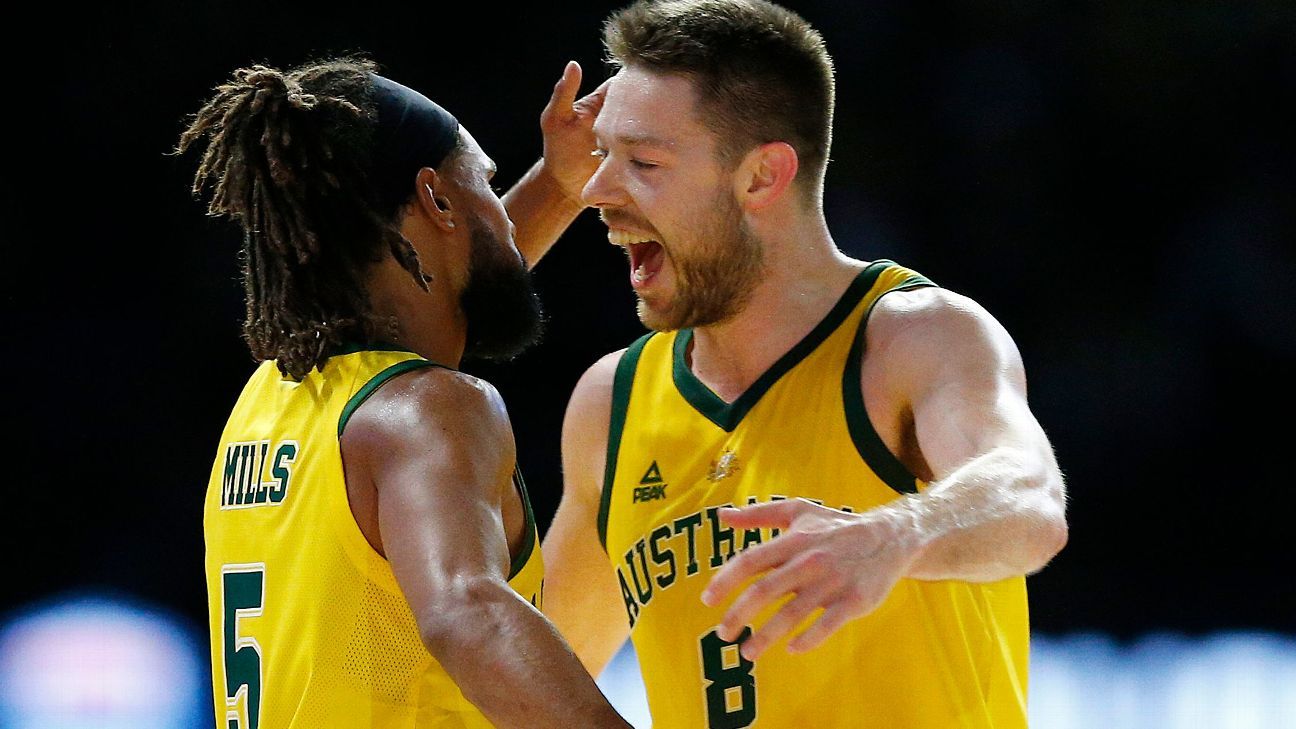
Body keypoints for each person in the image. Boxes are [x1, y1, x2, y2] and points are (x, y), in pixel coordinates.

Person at [542, 1, 1070, 727]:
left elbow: (1029, 499)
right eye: (602, 157)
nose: (595, 191)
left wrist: (894, 534)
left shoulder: (913, 338)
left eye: (643, 161)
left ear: (762, 177)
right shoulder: (613, 401)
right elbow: (536, 677)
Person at [178, 56, 631, 728]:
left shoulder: (274, 399)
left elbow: (446, 288)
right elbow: (466, 612)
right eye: (485, 183)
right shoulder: (431, 408)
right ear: (437, 201)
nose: (505, 220)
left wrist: (560, 185)